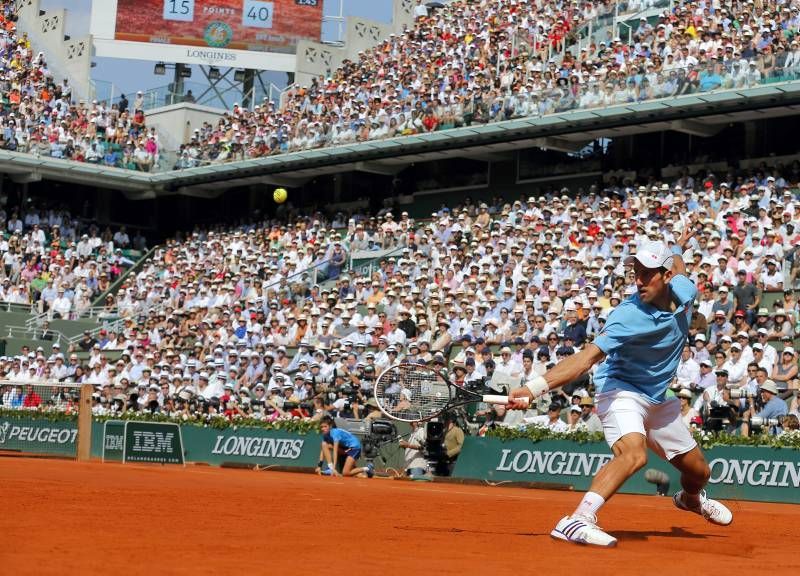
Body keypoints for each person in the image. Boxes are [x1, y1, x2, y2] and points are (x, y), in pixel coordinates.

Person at [509, 234, 733, 547]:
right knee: (633, 454)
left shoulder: (684, 289)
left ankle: (691, 500)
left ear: (666, 276)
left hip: (658, 397)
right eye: (635, 273)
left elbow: (679, 265)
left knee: (699, 472)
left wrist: (677, 245)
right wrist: (533, 388)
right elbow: (586, 358)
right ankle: (577, 519)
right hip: (621, 390)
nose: (638, 281)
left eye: (647, 273)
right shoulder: (627, 315)